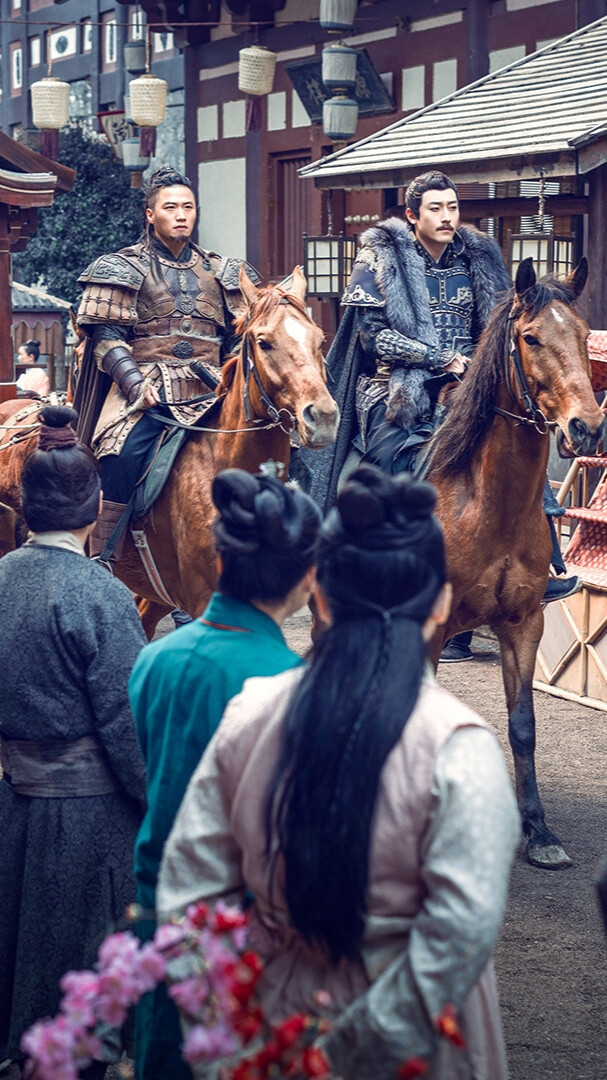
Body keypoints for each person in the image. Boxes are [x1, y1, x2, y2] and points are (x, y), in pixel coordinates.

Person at [157, 464, 521, 1080]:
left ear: (320, 591)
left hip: (270, 1018)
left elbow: (187, 892)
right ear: (441, 603)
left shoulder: (248, 715)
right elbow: (460, 929)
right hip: (417, 1041)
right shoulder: (464, 749)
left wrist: (223, 1027)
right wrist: (354, 1048)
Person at [307, 170, 579, 663]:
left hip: (468, 384)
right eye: (435, 208)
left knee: (517, 442)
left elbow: (496, 327)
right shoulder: (378, 256)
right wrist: (440, 360)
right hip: (393, 385)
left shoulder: (479, 255)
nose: (447, 216)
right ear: (412, 215)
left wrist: (477, 373)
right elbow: (373, 339)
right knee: (396, 454)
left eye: (452, 207)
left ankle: (545, 565)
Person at [128, 467, 321, 1080]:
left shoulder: (152, 660)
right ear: (308, 578)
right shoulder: (291, 686)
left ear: (217, 564)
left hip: (155, 904)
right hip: (245, 924)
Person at [0, 405, 147, 1079]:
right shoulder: (102, 595)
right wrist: (153, 803)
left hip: (14, 805)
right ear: (93, 510)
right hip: (90, 818)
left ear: (24, 508)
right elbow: (126, 723)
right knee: (77, 981)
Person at [74, 164, 260, 560]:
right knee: (121, 457)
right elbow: (106, 340)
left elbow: (238, 340)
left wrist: (234, 381)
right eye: (171, 207)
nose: (181, 215)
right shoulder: (122, 267)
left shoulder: (225, 270)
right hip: (145, 384)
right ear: (150, 214)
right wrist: (136, 386)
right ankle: (105, 555)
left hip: (214, 386)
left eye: (188, 207)